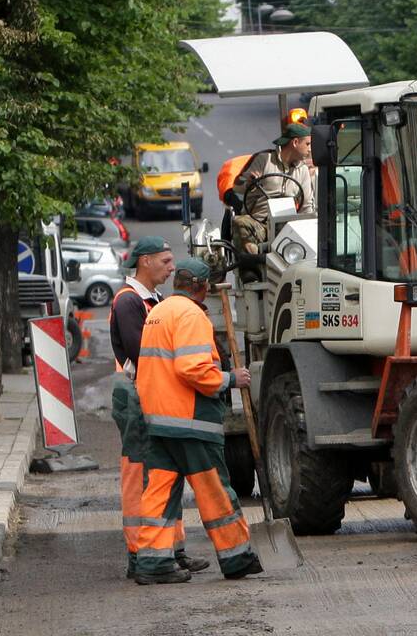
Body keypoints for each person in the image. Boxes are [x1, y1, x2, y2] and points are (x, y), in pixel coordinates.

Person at [133, 258, 261, 584]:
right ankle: (237, 558)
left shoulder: (158, 312)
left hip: (159, 422)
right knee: (214, 491)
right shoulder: (191, 315)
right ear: (202, 288)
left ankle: (153, 563)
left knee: (159, 494)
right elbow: (192, 368)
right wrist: (231, 379)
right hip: (190, 421)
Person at [110, 237, 210, 580]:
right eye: (166, 262)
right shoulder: (128, 302)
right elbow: (144, 353)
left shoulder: (153, 300)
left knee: (166, 475)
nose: (171, 268)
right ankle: (141, 555)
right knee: (142, 478)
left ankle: (171, 550)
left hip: (152, 396)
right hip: (136, 398)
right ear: (146, 261)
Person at [231, 122, 315, 255]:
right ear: (295, 142)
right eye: (308, 144)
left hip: (287, 227)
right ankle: (252, 263)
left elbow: (306, 206)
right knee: (239, 222)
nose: (310, 149)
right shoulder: (264, 160)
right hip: (259, 223)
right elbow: (237, 186)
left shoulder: (303, 170)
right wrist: (249, 183)